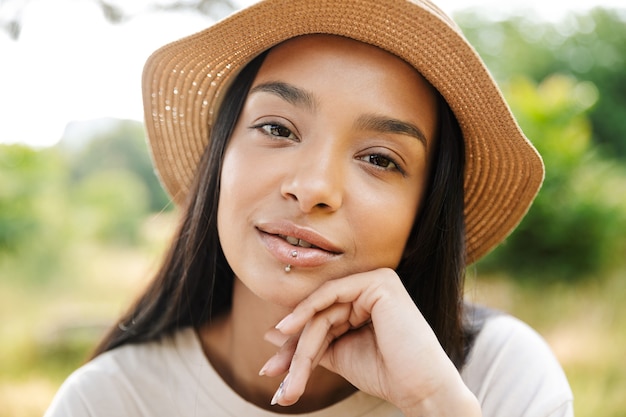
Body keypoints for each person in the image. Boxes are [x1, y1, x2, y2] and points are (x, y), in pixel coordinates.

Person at [44, 0, 574, 416]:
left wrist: (436, 405)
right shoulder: (107, 403)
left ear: (423, 218)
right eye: (277, 129)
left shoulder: (500, 377)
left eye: (380, 159)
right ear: (219, 162)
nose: (314, 187)